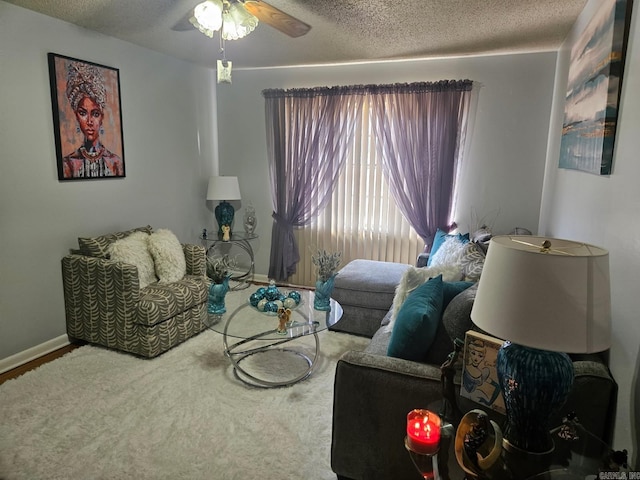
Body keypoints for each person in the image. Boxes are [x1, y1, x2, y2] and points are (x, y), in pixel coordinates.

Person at [62, 61, 123, 178]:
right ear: (76, 116)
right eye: (83, 113)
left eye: (95, 114)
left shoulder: (115, 162)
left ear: (102, 117)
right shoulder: (68, 164)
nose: (89, 121)